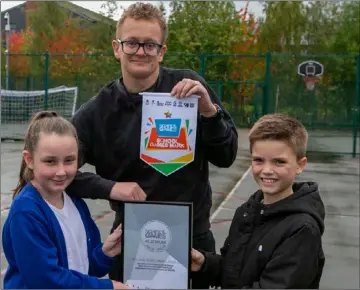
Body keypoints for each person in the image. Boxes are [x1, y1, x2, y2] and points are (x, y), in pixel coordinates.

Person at [65, 2, 238, 288]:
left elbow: (227, 155)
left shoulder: (190, 88)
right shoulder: (97, 111)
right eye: (132, 43)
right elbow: (58, 173)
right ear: (116, 48)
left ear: (162, 51)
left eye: (150, 45)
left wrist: (210, 113)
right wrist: (110, 187)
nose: (140, 51)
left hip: (191, 239)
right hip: (130, 237)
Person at [191, 113, 326, 288]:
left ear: (300, 165)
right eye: (259, 160)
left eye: (279, 162)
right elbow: (233, 272)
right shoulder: (246, 211)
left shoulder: (301, 229)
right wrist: (204, 264)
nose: (267, 170)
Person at [2, 111, 128, 289]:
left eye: (69, 160)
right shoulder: (27, 212)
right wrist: (108, 287)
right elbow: (45, 280)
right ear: (29, 160)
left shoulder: (75, 202)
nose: (61, 171)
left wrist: (104, 254)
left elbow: (82, 269)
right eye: (50, 162)